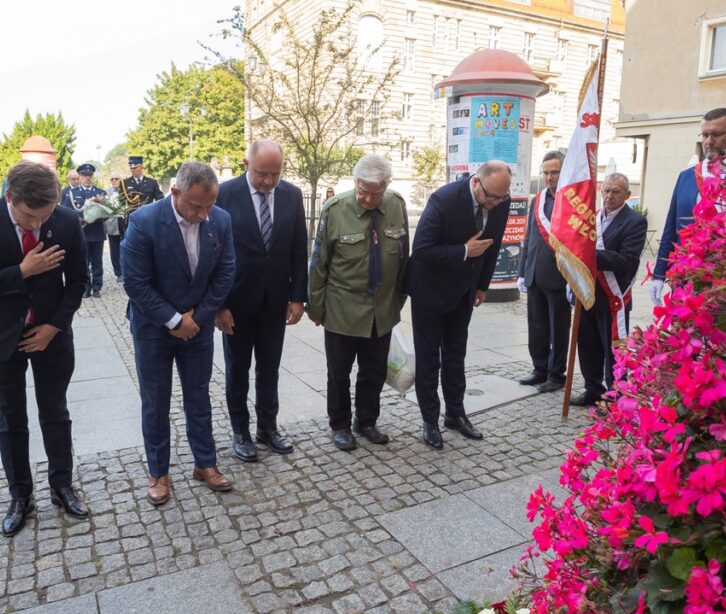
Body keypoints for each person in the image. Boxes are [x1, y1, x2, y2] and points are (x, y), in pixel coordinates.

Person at [0, 160, 90, 536]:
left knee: (55, 411)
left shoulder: (63, 220)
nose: (37, 225)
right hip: (0, 338)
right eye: (29, 217)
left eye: (43, 217)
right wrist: (22, 271)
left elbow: (79, 280)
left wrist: (53, 326)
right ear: (9, 197)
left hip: (51, 336)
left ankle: (62, 484)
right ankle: (20, 494)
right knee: (10, 418)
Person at [122, 162, 236, 506]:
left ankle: (205, 463)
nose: (204, 214)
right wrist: (174, 321)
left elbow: (226, 272)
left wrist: (196, 319)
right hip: (153, 328)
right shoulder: (144, 222)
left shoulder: (221, 220)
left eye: (209, 206)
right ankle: (158, 471)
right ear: (175, 193)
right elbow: (136, 284)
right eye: (196, 206)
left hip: (197, 327)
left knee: (199, 397)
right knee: (155, 401)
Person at [405, 160, 511, 450]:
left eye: (501, 198)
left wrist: (481, 286)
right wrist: (464, 251)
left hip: (464, 292)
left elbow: (494, 244)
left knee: (456, 355)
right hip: (430, 290)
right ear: (476, 182)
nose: (495, 203)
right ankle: (429, 420)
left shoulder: (500, 200)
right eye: (491, 197)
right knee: (429, 359)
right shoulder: (444, 199)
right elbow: (423, 250)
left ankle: (455, 413)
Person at [307, 155, 409, 451]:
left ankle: (366, 421)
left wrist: (398, 300)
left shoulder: (396, 205)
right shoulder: (335, 209)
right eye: (363, 190)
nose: (367, 198)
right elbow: (318, 263)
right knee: (339, 372)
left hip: (382, 309)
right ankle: (339, 424)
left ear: (387, 186)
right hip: (342, 308)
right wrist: (316, 307)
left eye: (375, 193)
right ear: (355, 182)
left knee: (374, 370)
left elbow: (404, 258)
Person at [216, 140, 307, 460]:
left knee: (269, 368)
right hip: (237, 303)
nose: (269, 181)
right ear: (246, 164)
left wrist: (298, 297)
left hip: (275, 301)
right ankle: (241, 431)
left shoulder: (292, 195)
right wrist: (220, 305)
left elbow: (299, 248)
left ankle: (267, 427)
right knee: (237, 369)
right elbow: (216, 253)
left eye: (275, 174)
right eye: (262, 174)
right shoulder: (224, 194)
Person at [651, 107, 726, 305]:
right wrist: (659, 275)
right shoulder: (687, 176)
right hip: (689, 276)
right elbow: (671, 228)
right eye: (705, 135)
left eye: (716, 134)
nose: (708, 141)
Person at [571, 173, 648, 407]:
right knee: (588, 345)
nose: (609, 196)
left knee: (612, 349)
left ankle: (615, 395)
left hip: (614, 296)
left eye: (615, 191)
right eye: (606, 190)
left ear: (627, 195)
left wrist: (590, 256)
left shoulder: (635, 221)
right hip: (588, 293)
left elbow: (627, 260)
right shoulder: (590, 219)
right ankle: (592, 388)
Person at [516, 151, 570, 394]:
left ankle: (556, 373)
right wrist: (521, 270)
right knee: (536, 325)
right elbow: (528, 237)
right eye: (546, 172)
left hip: (559, 275)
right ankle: (539, 368)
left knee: (557, 328)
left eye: (554, 172)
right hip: (534, 272)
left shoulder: (572, 200)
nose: (549, 177)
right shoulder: (537, 200)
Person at [60, 163, 107, 297]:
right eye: (84, 175)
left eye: (89, 175)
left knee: (97, 261)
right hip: (81, 233)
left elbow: (107, 214)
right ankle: (86, 287)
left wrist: (95, 218)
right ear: (79, 177)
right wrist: (81, 220)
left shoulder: (100, 193)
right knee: (83, 261)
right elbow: (67, 212)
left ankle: (97, 287)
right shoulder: (72, 193)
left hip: (97, 232)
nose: (87, 178)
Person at [104, 173, 123, 281]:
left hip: (123, 223)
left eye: (117, 178)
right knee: (114, 249)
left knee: (125, 248)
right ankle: (118, 272)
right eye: (112, 179)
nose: (114, 180)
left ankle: (125, 270)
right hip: (112, 224)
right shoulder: (106, 192)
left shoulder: (125, 190)